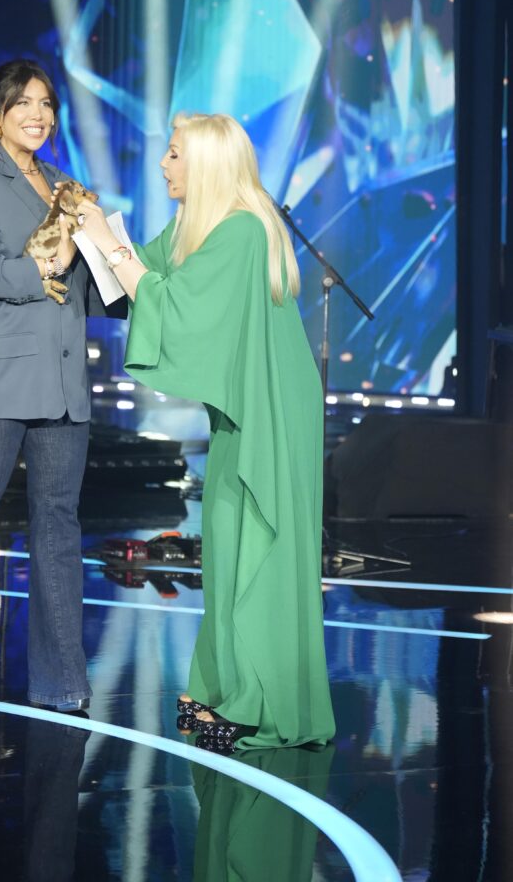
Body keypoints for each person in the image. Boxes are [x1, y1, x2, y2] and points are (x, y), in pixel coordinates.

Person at [76, 113, 335, 751]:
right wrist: (87, 232)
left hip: (272, 403)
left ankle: (261, 704)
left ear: (208, 165)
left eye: (173, 154)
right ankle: (222, 686)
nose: (163, 164)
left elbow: (171, 305)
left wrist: (104, 238)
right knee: (225, 542)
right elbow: (139, 278)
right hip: (239, 407)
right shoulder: (197, 225)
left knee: (258, 546)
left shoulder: (243, 229)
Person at [0, 58, 122, 722]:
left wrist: (118, 267)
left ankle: (61, 682)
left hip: (63, 378)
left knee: (59, 525)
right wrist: (43, 267)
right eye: (23, 104)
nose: (38, 115)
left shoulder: (65, 186)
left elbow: (81, 281)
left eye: (45, 104)